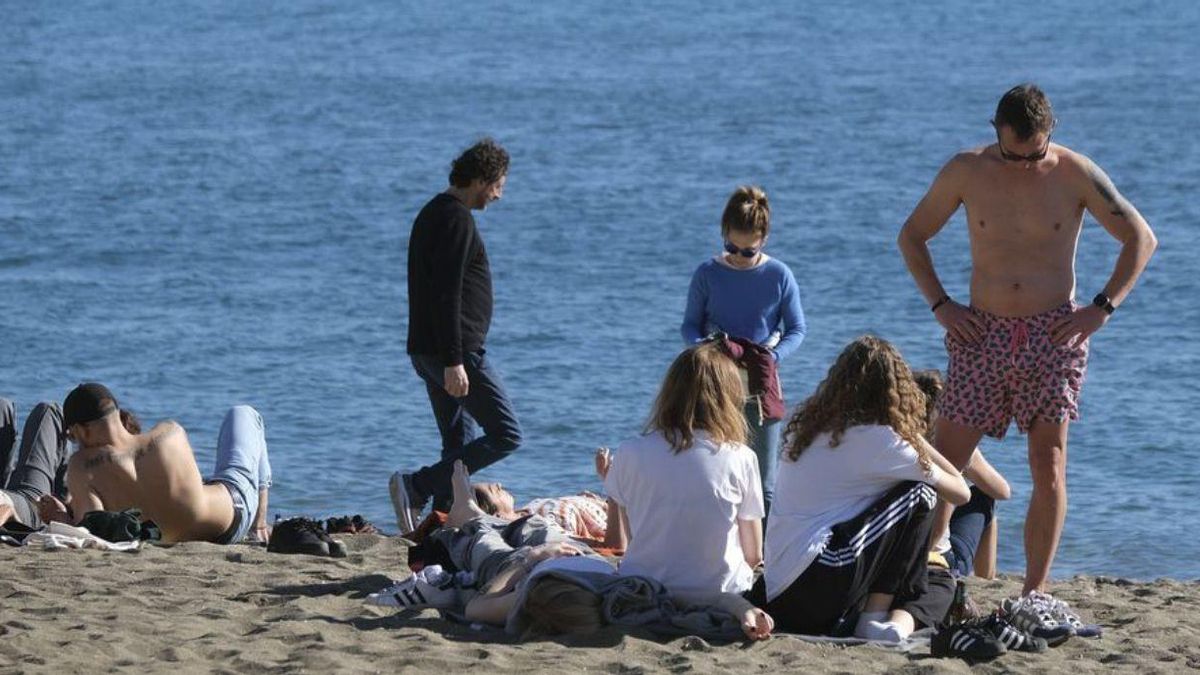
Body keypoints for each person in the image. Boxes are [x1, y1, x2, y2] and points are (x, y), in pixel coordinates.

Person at [897, 84, 1157, 612]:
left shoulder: (1075, 172)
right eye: (1014, 153)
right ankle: (920, 567)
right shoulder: (966, 170)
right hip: (981, 333)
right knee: (946, 458)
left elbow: (1140, 238)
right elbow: (912, 236)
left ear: (1050, 134)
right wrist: (942, 305)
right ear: (997, 131)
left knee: (1050, 461)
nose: (1024, 164)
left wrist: (1101, 308)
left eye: (1034, 153)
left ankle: (1034, 590)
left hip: (1054, 335)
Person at [372, 460, 773, 642]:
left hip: (523, 565)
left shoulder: (529, 596)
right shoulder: (624, 593)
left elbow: (478, 607)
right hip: (570, 549)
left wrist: (531, 563)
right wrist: (744, 610)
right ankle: (483, 515)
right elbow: (702, 598)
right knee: (536, 526)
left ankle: (471, 514)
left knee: (486, 543)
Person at [757, 336, 970, 642]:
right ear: (896, 392)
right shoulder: (882, 439)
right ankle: (874, 616)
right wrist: (915, 437)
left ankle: (881, 613)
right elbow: (960, 491)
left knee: (936, 580)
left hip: (781, 591)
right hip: (815, 582)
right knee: (922, 493)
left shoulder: (810, 430)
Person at [391, 138, 522, 535]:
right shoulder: (456, 219)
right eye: (497, 184)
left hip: (431, 348)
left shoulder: (434, 212)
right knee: (506, 434)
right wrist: (455, 360)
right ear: (481, 179)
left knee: (458, 442)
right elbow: (447, 293)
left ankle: (443, 525)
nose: (499, 194)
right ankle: (417, 485)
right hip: (454, 352)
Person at [603, 342, 765, 602]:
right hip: (721, 591)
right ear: (729, 398)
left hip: (645, 589)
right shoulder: (742, 457)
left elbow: (626, 540)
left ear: (669, 393)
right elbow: (754, 555)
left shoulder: (630, 451)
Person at [681, 185, 806, 514]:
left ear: (763, 239)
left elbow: (796, 329)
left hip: (761, 388)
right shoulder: (707, 274)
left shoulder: (779, 276)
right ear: (724, 235)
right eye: (730, 247)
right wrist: (705, 351)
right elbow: (690, 325)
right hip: (715, 385)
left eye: (748, 251)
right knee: (712, 471)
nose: (738, 256)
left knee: (762, 480)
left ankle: (767, 556)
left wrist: (773, 356)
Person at [37, 383, 272, 544]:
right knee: (243, 413)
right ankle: (258, 526)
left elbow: (92, 530)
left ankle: (258, 526)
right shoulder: (169, 432)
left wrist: (61, 517)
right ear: (118, 415)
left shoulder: (83, 467)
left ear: (79, 431)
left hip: (177, 538)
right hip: (230, 521)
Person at [1, 399, 72, 528]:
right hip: (26, 504)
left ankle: (64, 503)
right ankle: (62, 506)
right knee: (50, 412)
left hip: (10, 499)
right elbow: (6, 509)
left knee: (2, 407)